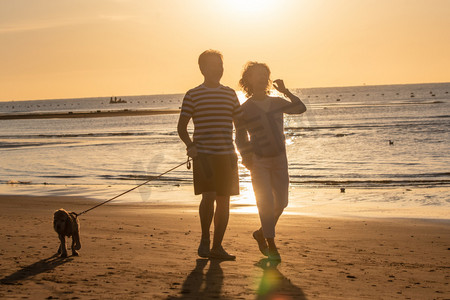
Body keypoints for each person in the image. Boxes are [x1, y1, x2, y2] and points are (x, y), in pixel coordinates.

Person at [236, 62, 307, 261]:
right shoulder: (244, 109)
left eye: (264, 74)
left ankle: (261, 233)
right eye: (256, 75)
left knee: (282, 202)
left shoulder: (277, 102)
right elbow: (240, 137)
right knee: (265, 203)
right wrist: (245, 156)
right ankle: (271, 244)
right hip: (259, 161)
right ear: (248, 80)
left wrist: (286, 91)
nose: (260, 78)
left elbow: (301, 108)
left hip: (279, 157)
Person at [177, 50, 243, 260]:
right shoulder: (193, 94)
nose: (218, 69)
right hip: (204, 156)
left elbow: (241, 125)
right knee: (209, 198)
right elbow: (181, 127)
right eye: (213, 65)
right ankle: (205, 239)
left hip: (227, 156)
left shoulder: (230, 94)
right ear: (203, 68)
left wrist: (246, 150)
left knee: (224, 201)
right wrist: (190, 146)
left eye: (220, 66)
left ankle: (217, 247)